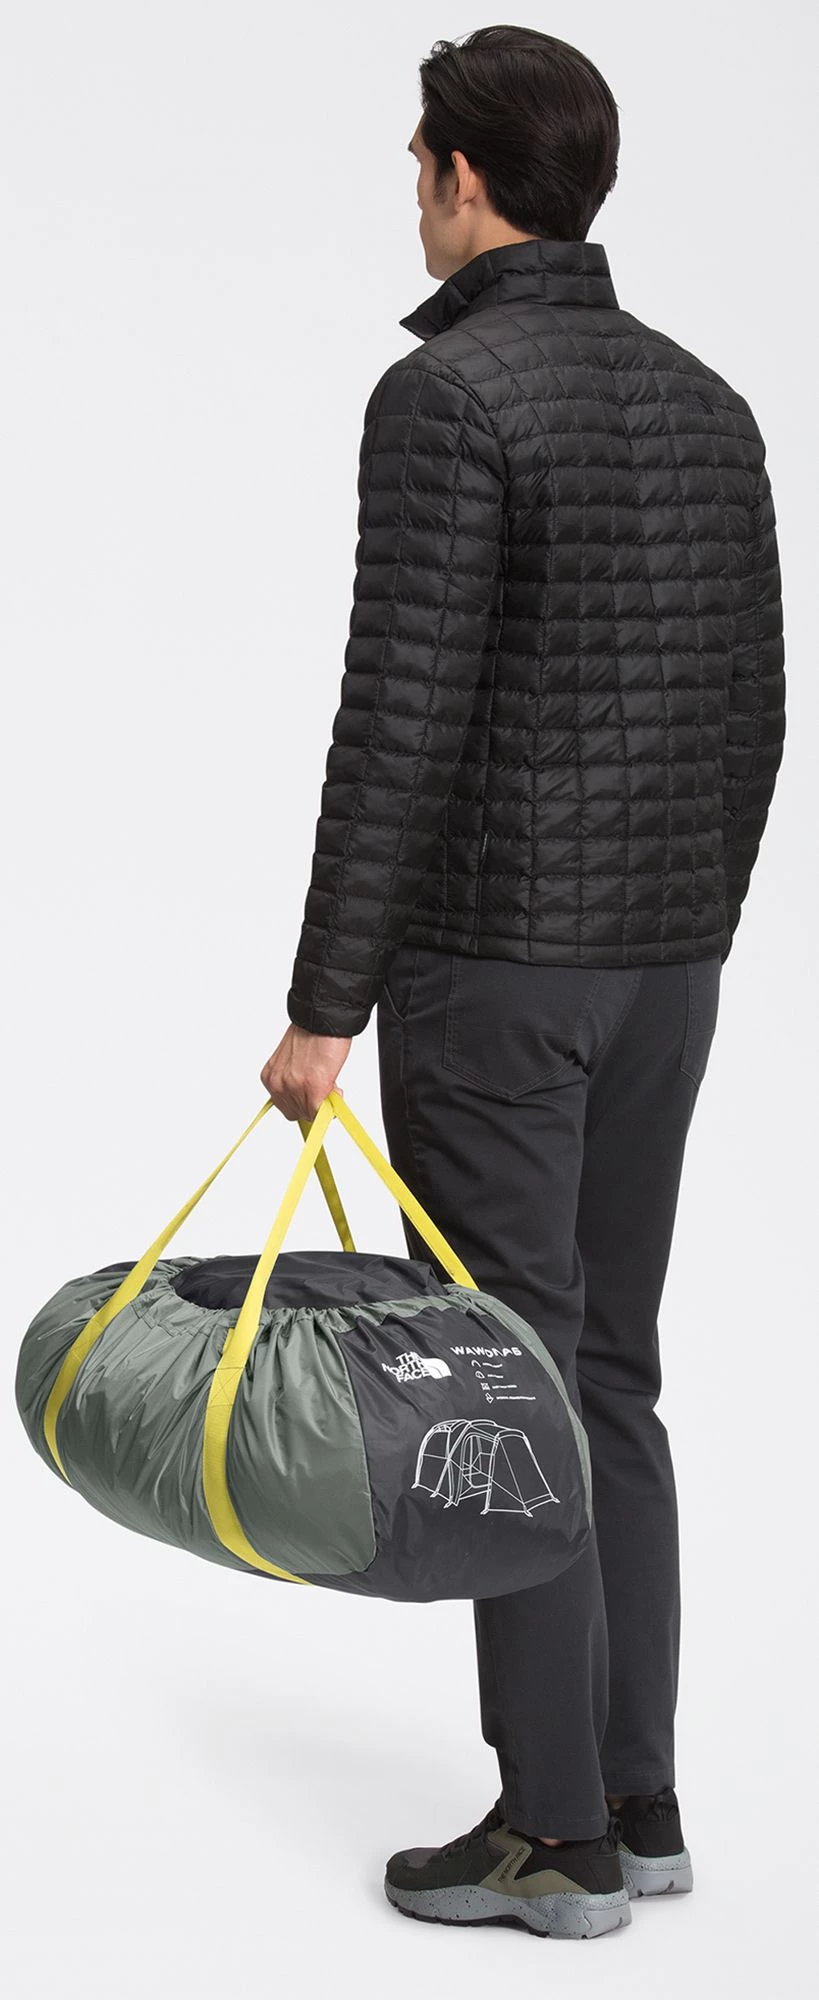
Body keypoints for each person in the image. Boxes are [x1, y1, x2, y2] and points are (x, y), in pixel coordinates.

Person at [260, 24, 786, 1941]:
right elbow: (755, 712)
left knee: (510, 1379)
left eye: (419, 164)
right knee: (610, 1372)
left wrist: (325, 1005)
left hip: (495, 980)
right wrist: (689, 930)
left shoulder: (448, 396)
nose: (414, 195)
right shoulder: (708, 402)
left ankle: (550, 1835)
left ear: (461, 176)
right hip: (663, 972)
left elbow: (395, 725)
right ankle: (637, 1803)